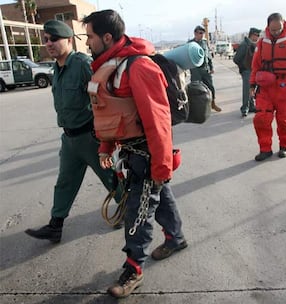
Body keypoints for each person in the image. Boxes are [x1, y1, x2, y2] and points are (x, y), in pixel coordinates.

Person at [82, 10, 187, 298]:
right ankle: (176, 238)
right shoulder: (112, 66)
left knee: (138, 213)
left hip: (147, 155)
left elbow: (158, 121)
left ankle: (133, 269)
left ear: (106, 37)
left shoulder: (139, 67)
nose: (87, 42)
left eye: (89, 36)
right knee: (161, 197)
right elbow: (112, 111)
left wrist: (162, 164)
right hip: (130, 152)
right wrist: (106, 146)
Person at [25, 20, 122, 243]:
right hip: (69, 139)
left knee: (111, 179)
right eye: (46, 39)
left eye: (54, 39)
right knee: (65, 182)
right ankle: (55, 226)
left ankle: (129, 212)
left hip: (90, 137)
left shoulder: (82, 64)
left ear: (69, 40)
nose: (48, 43)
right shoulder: (57, 68)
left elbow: (104, 98)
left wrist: (108, 137)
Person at [249, 13, 286, 161]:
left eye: (278, 29)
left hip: (285, 86)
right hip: (265, 87)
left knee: (284, 119)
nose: (276, 32)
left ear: (283, 25)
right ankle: (265, 149)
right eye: (273, 30)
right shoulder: (262, 42)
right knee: (261, 118)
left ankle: (284, 146)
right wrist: (252, 85)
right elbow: (255, 66)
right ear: (268, 26)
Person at [189, 25, 222, 112]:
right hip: (195, 70)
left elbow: (208, 55)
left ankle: (213, 103)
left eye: (202, 33)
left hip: (205, 69)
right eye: (200, 33)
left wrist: (211, 67)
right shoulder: (190, 44)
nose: (201, 35)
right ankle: (196, 108)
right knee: (195, 89)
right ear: (195, 33)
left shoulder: (204, 42)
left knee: (211, 87)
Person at [233, 27, 261, 117]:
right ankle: (244, 108)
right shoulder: (244, 45)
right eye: (257, 35)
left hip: (252, 70)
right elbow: (236, 59)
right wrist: (243, 67)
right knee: (247, 90)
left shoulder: (252, 44)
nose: (258, 37)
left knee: (251, 89)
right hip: (247, 71)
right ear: (252, 35)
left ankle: (251, 106)